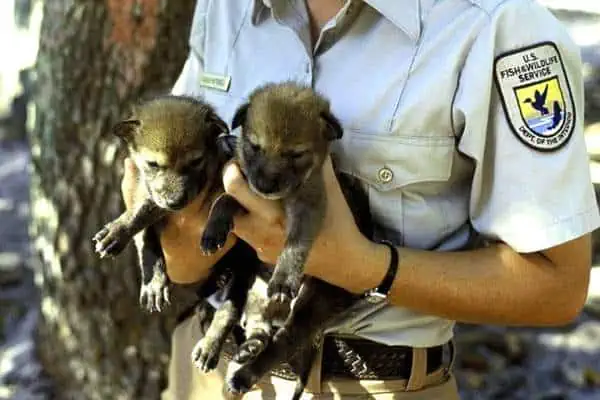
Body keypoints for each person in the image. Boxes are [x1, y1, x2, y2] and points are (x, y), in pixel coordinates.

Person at [120, 0, 600, 398]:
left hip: (374, 384)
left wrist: (364, 266)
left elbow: (557, 287)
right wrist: (177, 219)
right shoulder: (228, 7)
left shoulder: (497, 27)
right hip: (208, 367)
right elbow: (183, 262)